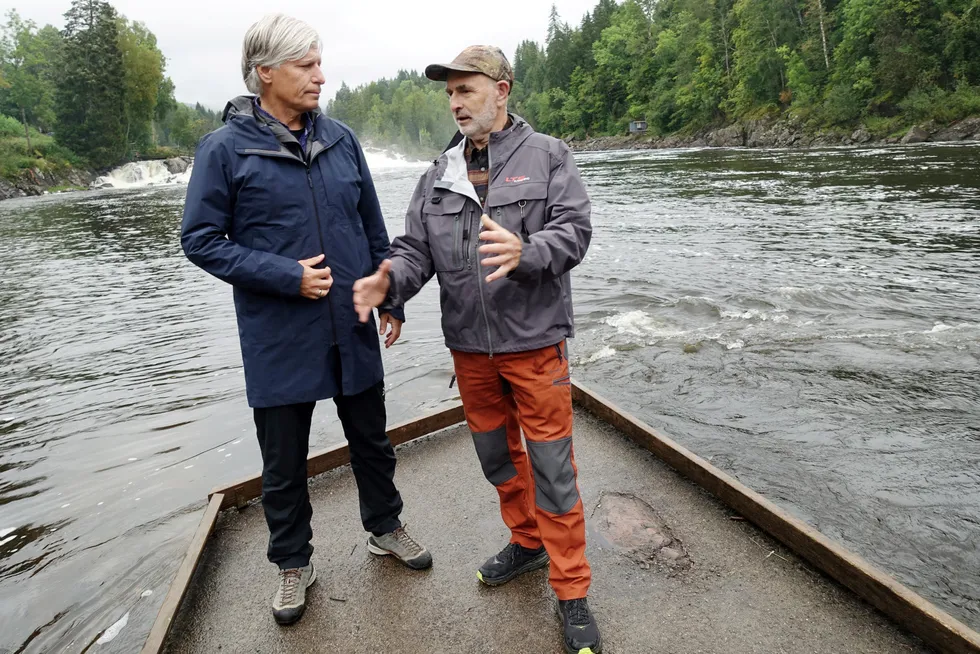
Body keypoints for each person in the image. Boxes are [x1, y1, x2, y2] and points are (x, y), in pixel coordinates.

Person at [180, 13, 431, 627]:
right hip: (278, 333)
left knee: (372, 438)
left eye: (320, 62)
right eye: (306, 65)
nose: (321, 75)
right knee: (283, 460)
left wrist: (391, 295)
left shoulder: (342, 140)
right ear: (265, 73)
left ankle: (385, 527)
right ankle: (294, 563)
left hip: (351, 322)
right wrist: (285, 275)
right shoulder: (224, 149)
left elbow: (374, 228)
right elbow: (201, 239)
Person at [353, 45, 601, 654]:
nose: (456, 102)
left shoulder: (548, 156)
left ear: (502, 89)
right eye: (450, 93)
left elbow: (575, 231)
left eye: (466, 90)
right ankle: (527, 541)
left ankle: (572, 593)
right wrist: (390, 285)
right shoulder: (439, 172)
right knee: (497, 457)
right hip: (470, 350)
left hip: (534, 346)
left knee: (552, 469)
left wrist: (527, 252)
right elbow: (415, 249)